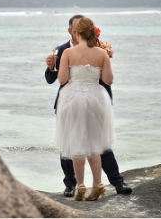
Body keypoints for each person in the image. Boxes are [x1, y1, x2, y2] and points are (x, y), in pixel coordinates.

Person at [45, 14, 132, 197]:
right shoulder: (61, 50)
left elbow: (67, 79)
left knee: (101, 145)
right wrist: (50, 67)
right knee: (69, 144)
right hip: (78, 102)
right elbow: (52, 79)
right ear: (70, 31)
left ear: (78, 32)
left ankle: (117, 182)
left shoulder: (99, 49)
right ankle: (71, 185)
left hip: (85, 101)